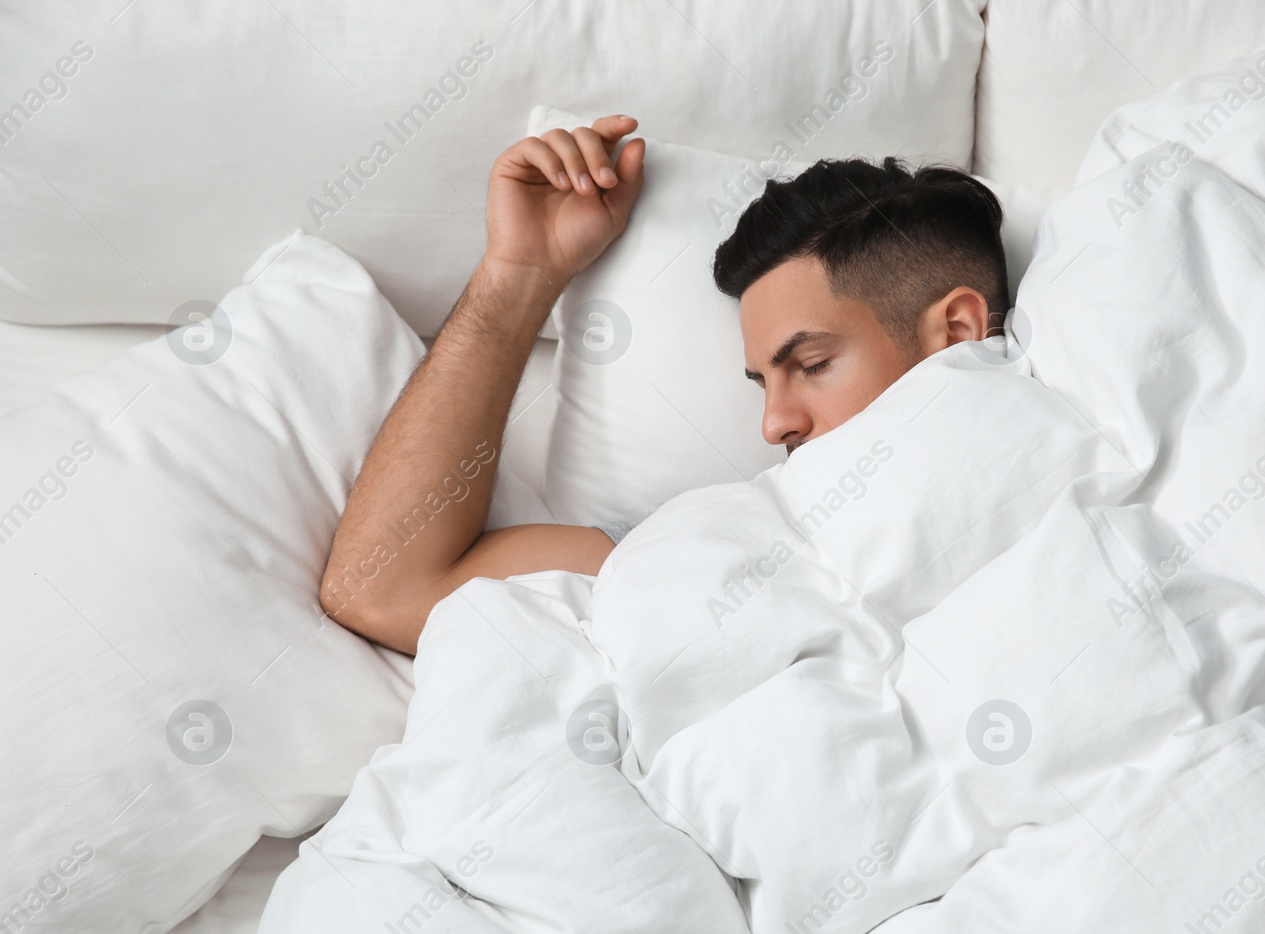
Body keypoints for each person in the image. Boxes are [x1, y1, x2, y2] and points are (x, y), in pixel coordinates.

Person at [321, 115, 1010, 654]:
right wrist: (520, 271)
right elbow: (382, 588)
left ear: (955, 331)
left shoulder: (1092, 444)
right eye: (762, 382)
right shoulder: (732, 540)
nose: (773, 425)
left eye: (812, 364)